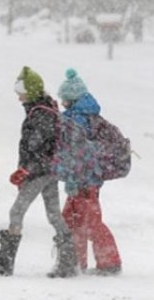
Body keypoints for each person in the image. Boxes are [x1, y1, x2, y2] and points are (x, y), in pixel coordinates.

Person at [0, 66, 77, 278]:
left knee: (17, 212)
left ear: (30, 90)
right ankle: (68, 261)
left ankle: (5, 261)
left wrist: (26, 170)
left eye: (20, 91)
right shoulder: (45, 108)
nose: (18, 96)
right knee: (53, 214)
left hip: (39, 171)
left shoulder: (40, 113)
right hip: (49, 170)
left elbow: (36, 147)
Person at [57, 68, 122, 276]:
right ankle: (76, 261)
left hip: (84, 182)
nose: (61, 102)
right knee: (74, 219)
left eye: (64, 98)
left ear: (71, 98)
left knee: (88, 222)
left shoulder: (77, 120)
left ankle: (108, 263)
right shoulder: (89, 116)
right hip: (89, 180)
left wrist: (74, 178)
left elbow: (79, 155)